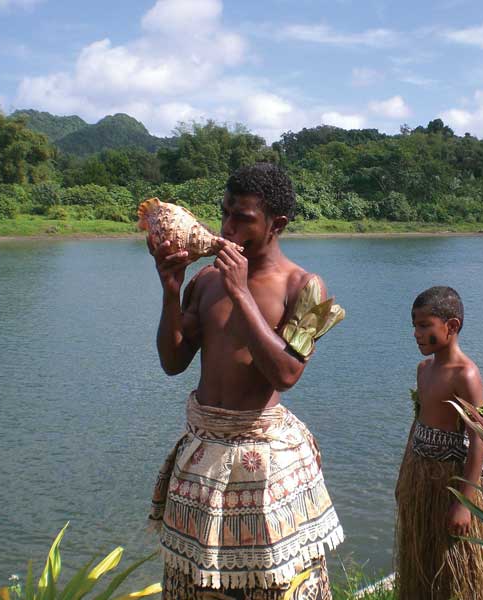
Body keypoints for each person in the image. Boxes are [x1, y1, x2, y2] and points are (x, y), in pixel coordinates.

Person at [147, 163, 345, 600]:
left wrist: (241, 294)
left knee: (273, 585)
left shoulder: (304, 286)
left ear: (278, 224)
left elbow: (286, 373)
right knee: (196, 583)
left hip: (264, 461)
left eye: (243, 218)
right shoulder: (206, 280)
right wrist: (170, 288)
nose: (227, 227)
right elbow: (172, 360)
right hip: (204, 453)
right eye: (225, 214)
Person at [395, 286, 483, 600]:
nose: (416, 333)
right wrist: (403, 476)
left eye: (425, 325)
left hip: (451, 482)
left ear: (451, 326)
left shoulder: (465, 375)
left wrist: (464, 503)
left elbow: (480, 439)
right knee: (421, 559)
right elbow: (418, 420)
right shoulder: (424, 370)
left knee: (452, 564)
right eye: (414, 325)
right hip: (420, 475)